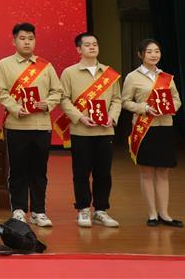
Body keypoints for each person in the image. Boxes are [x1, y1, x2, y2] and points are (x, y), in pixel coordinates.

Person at [0, 22, 62, 227]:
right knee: (18, 170)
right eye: (22, 38)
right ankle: (18, 209)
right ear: (14, 41)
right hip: (17, 125)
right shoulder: (4, 65)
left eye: (30, 38)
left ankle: (38, 211)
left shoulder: (45, 66)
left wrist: (47, 104)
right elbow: (0, 92)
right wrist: (16, 108)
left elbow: (57, 91)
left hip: (42, 125)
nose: (27, 42)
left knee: (39, 170)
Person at [58, 32, 122, 228]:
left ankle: (101, 210)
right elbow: (63, 100)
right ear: (79, 49)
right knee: (81, 172)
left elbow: (117, 100)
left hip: (105, 131)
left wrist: (112, 117)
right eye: (87, 45)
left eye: (95, 44)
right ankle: (83, 209)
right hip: (81, 131)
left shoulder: (109, 73)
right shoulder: (69, 73)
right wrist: (80, 117)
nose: (92, 47)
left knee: (104, 173)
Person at [122, 39, 183, 227]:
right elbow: (125, 101)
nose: (154, 55)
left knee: (163, 171)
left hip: (164, 126)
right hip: (144, 128)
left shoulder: (167, 77)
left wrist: (170, 107)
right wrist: (145, 108)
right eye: (149, 51)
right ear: (140, 55)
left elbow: (176, 99)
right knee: (147, 172)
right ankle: (152, 214)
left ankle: (165, 213)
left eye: (157, 51)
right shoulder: (133, 77)